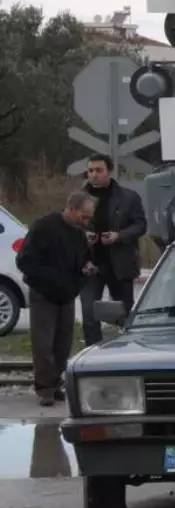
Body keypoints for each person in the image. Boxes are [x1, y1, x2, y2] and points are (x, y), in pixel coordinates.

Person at [16, 191, 97, 407]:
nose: (86, 221)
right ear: (71, 209)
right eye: (84, 215)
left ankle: (56, 382)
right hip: (44, 293)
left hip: (67, 293)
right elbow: (25, 260)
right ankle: (45, 388)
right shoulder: (44, 227)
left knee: (63, 342)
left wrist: (86, 268)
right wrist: (51, 280)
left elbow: (83, 259)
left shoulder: (79, 234)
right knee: (43, 343)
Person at [79, 154, 146, 346]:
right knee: (89, 314)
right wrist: (83, 235)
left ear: (109, 171)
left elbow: (140, 225)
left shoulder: (128, 197)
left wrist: (119, 236)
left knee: (124, 313)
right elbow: (69, 224)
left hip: (120, 263)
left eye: (99, 170)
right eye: (90, 170)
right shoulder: (79, 198)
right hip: (90, 264)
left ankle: (128, 350)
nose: (94, 175)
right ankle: (92, 354)